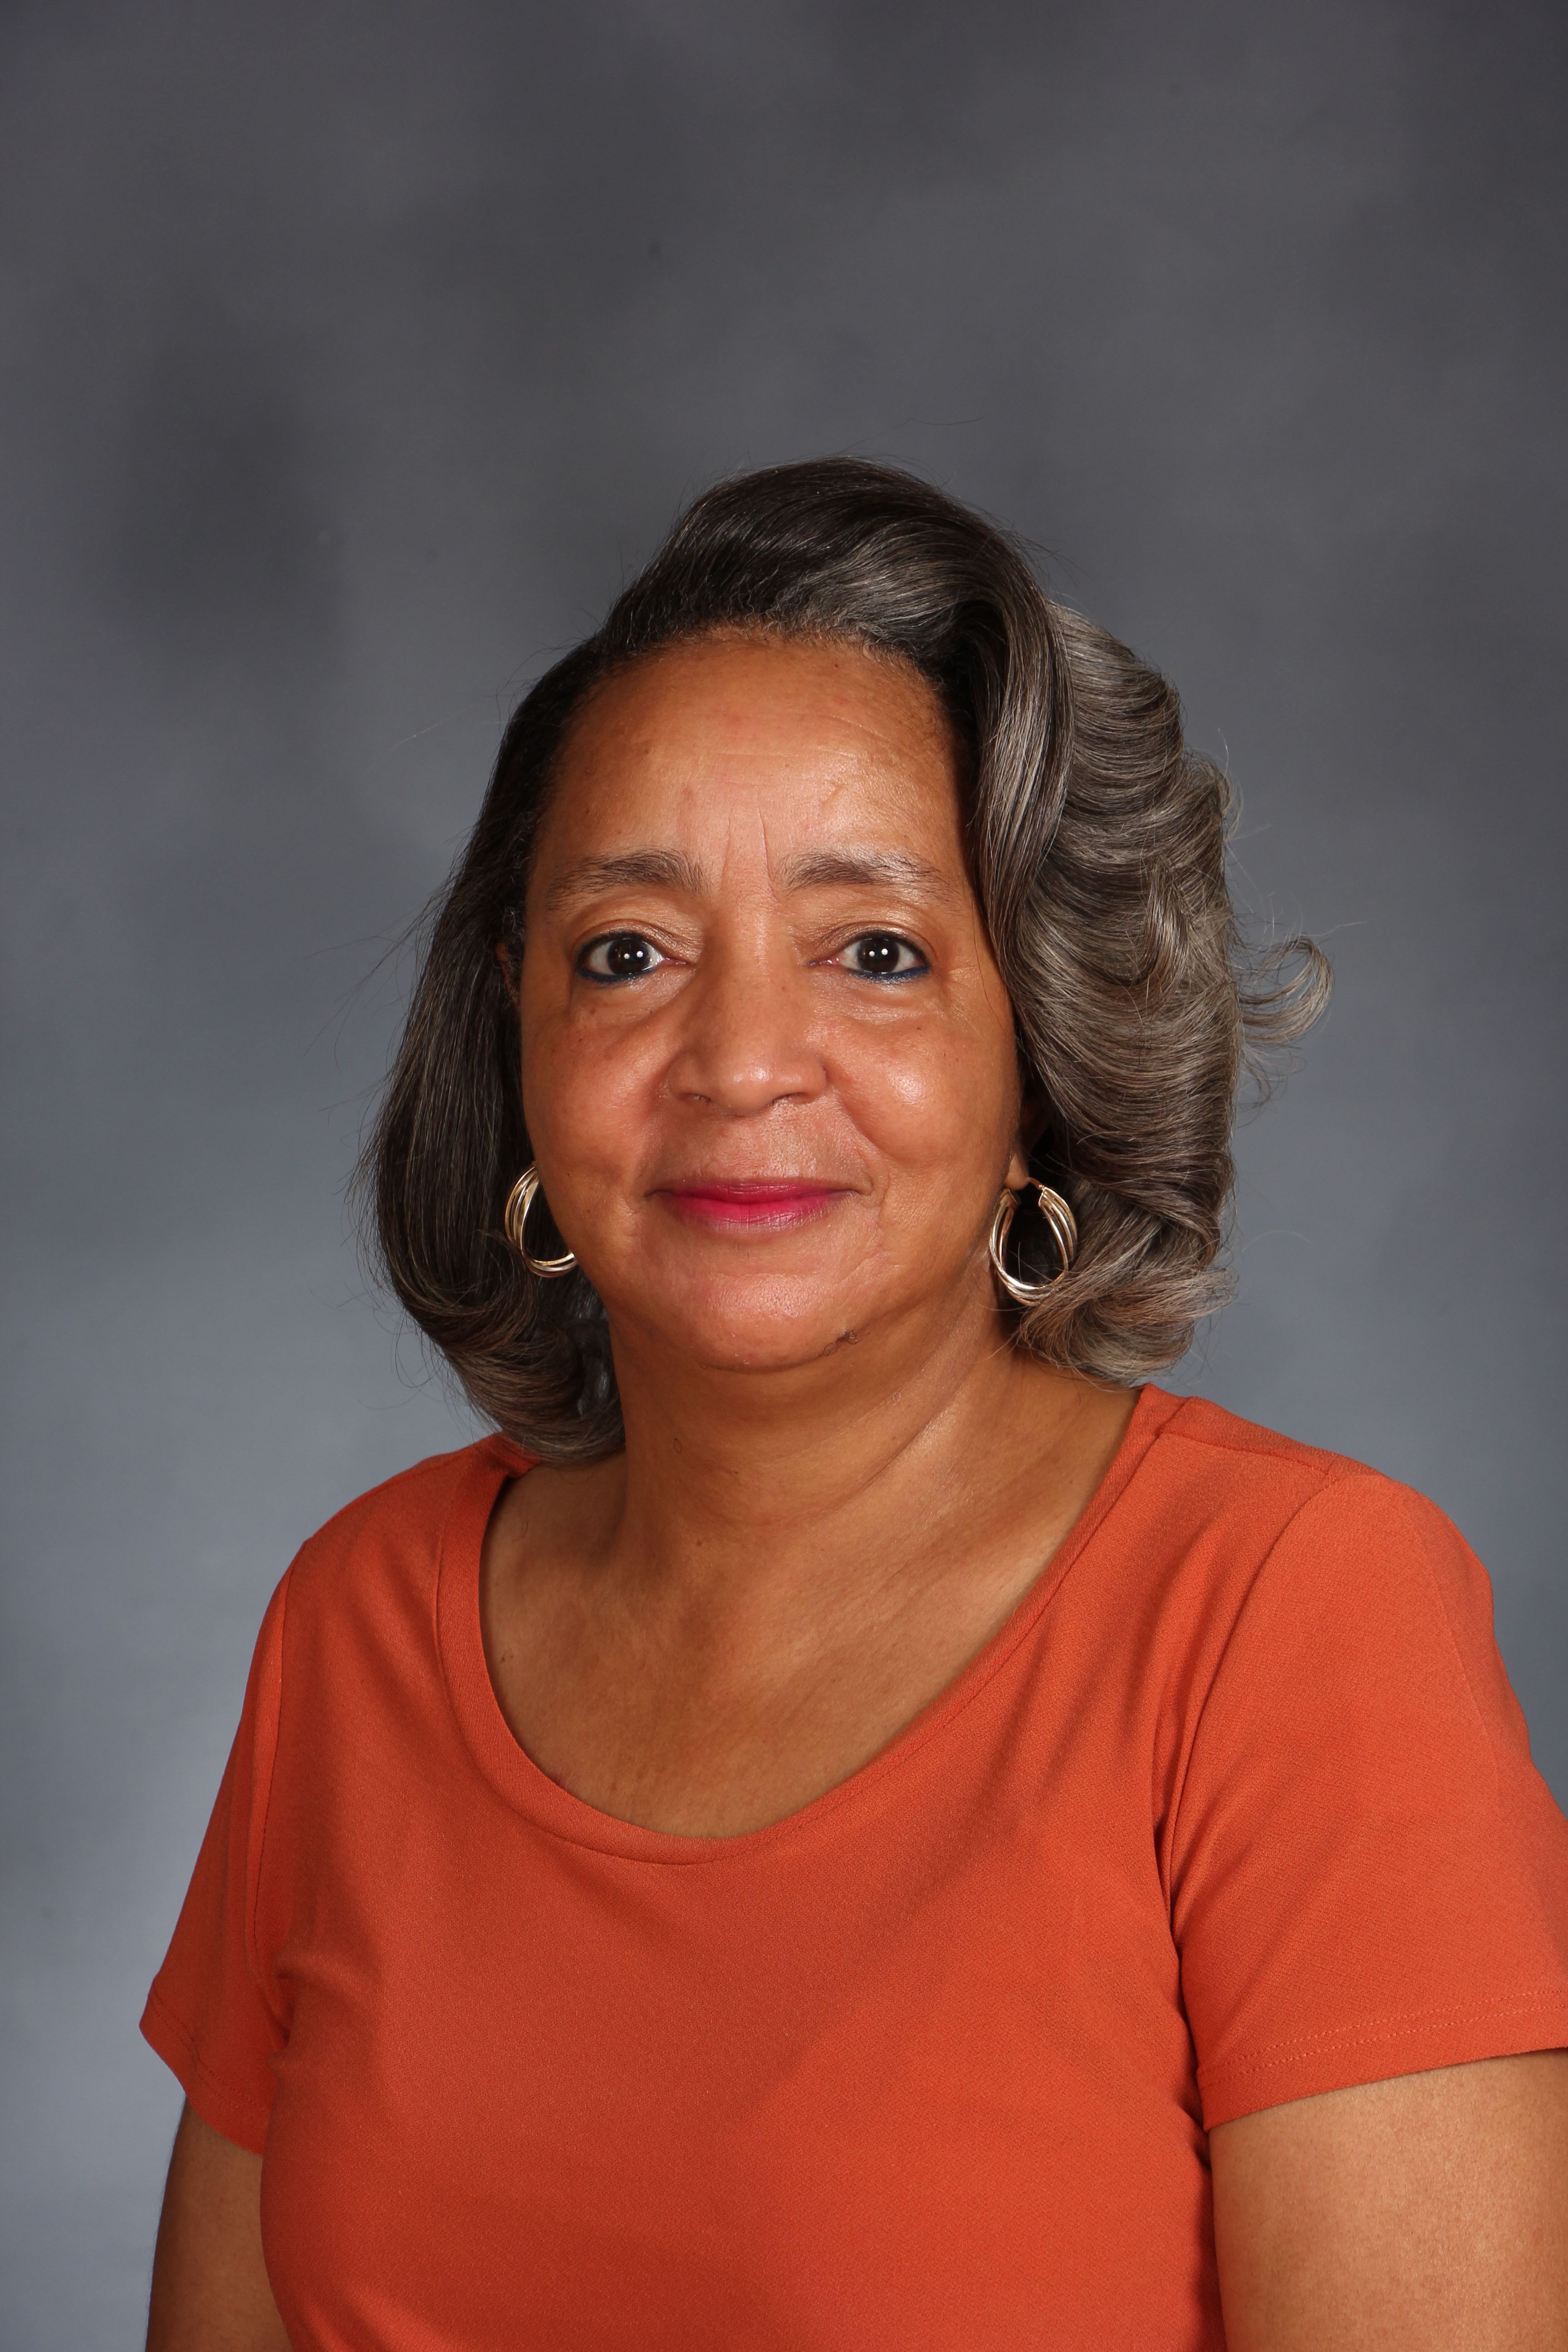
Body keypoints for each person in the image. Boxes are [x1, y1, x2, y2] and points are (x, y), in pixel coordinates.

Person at [142, 460, 1568, 2351]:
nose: (739, 1063)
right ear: (520, 1030)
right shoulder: (360, 1622)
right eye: (627, 954)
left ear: (1041, 1048)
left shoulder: (1294, 1621)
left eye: (876, 951)